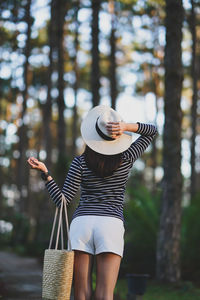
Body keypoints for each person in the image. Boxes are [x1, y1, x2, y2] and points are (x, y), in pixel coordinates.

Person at [27, 105, 157, 300]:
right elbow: (152, 131)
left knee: (81, 293)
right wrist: (125, 127)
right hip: (110, 225)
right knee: (105, 293)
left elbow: (63, 201)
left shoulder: (79, 162)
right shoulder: (127, 158)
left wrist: (46, 175)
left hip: (82, 224)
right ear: (116, 137)